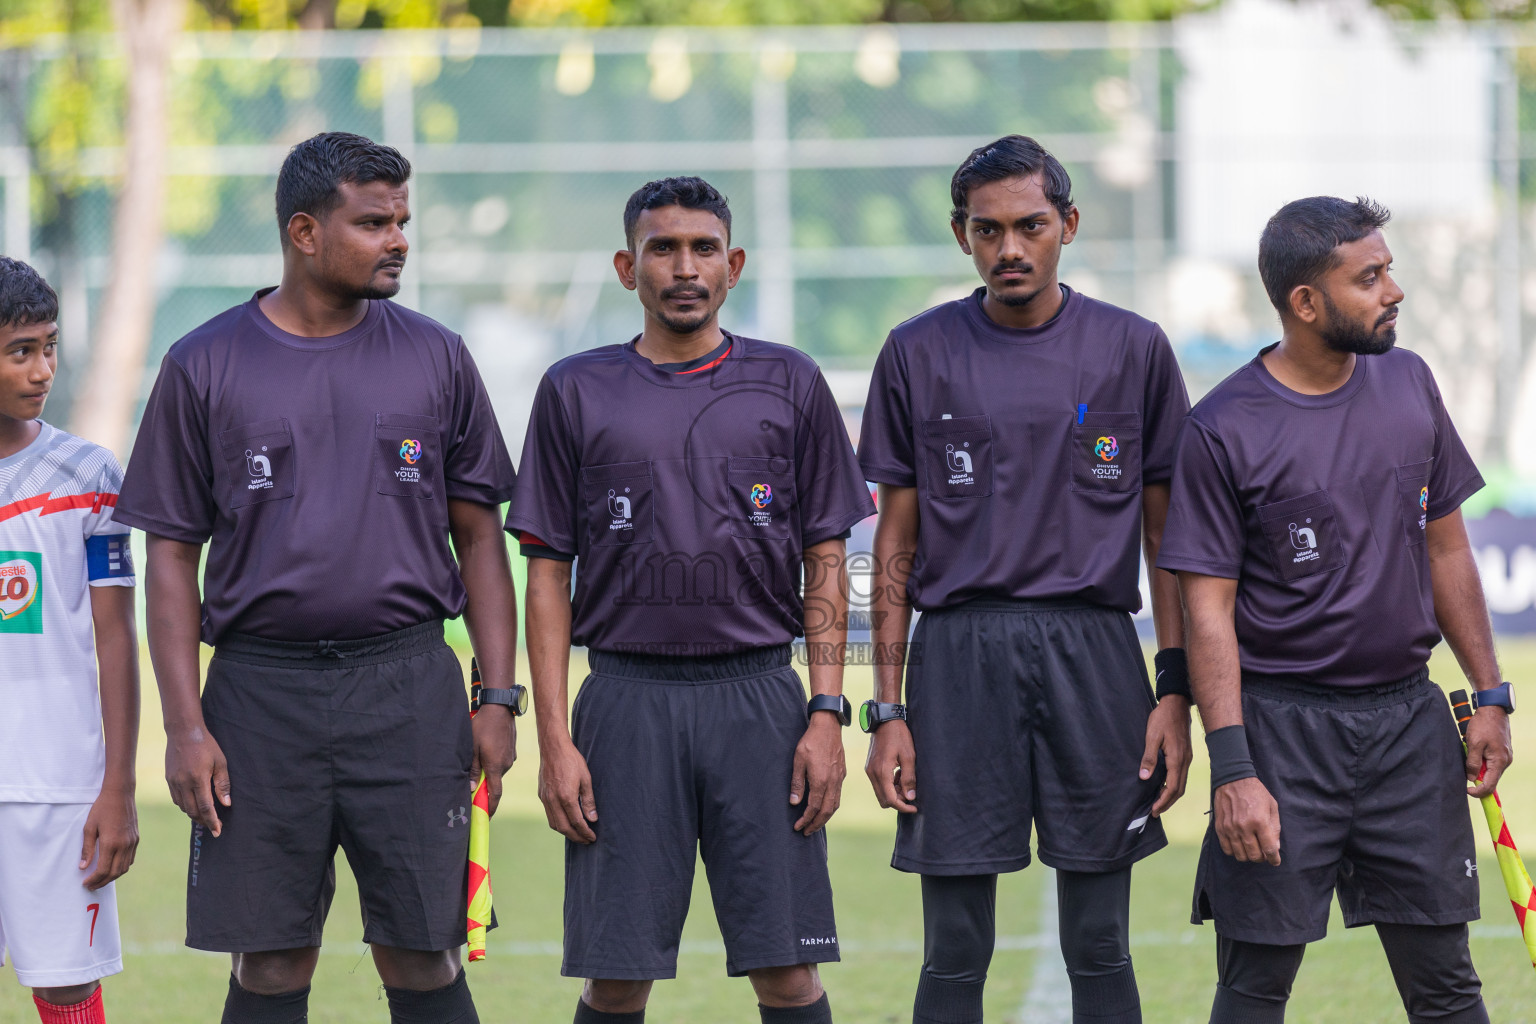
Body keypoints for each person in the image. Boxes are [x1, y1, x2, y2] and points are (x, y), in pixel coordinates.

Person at [112, 132, 519, 1024]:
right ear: (303, 231)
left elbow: (481, 538)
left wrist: (498, 695)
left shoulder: (438, 355)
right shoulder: (203, 363)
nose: (398, 239)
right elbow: (171, 557)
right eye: (372, 222)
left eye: (402, 220)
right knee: (268, 962)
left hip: (410, 687)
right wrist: (185, 727)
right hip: (259, 696)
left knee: (424, 955)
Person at [509, 176, 874, 1024]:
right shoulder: (574, 389)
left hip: (760, 701)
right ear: (625, 266)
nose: (684, 266)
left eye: (703, 248)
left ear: (733, 264)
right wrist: (555, 741)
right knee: (616, 976)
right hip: (625, 703)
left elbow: (828, 558)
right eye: (662, 248)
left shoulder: (788, 380)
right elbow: (546, 577)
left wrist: (827, 712)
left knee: (788, 973)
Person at [857, 135, 1193, 1024]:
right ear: (961, 236)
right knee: (958, 945)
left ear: (1068, 225)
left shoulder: (1134, 348)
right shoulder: (916, 352)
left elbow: (1168, 540)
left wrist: (1175, 691)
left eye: (1031, 226)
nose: (1010, 247)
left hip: (1096, 652)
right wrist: (885, 711)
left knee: (1099, 941)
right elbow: (893, 538)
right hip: (958, 656)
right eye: (988, 229)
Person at [1158, 196, 1507, 1024]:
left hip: (1410, 729)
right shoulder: (1221, 430)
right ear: (1305, 303)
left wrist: (1489, 695)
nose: (1393, 292)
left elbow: (1447, 548)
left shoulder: (1411, 380)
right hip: (1284, 740)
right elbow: (1206, 614)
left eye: (1386, 271)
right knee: (1254, 988)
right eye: (1370, 278)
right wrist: (1235, 771)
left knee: (1448, 989)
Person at [0, 258, 139, 1024]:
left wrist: (116, 789)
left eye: (50, 346)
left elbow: (116, 641)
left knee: (64, 988)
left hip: (57, 785)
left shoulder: (87, 473)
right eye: (21, 349)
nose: (43, 368)